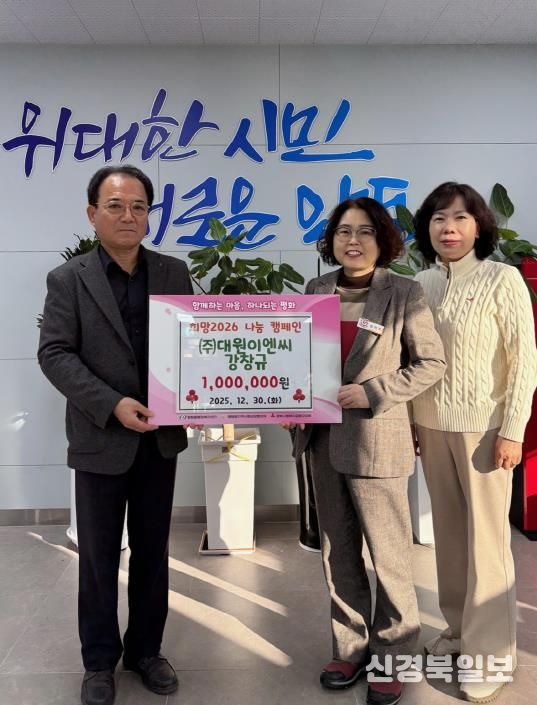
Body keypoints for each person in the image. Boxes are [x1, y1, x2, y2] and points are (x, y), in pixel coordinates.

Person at [38, 165, 194, 705]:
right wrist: (111, 404)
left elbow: (196, 344)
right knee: (99, 559)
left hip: (160, 438)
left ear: (149, 214)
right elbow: (55, 353)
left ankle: (146, 652)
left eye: (139, 206)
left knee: (153, 553)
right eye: (115, 205)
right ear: (92, 214)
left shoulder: (173, 272)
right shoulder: (68, 278)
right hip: (101, 437)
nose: (128, 216)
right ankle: (99, 661)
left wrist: (205, 394)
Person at [283, 197, 445, 705]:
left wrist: (373, 391)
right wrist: (288, 400)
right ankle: (350, 647)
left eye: (365, 232)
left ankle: (393, 655)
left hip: (377, 440)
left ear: (383, 240)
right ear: (330, 239)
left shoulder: (404, 292)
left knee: (390, 555)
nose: (352, 241)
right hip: (321, 441)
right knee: (338, 552)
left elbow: (431, 363)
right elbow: (298, 359)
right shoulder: (316, 290)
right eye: (343, 231)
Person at [412, 182, 537, 704]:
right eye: (439, 218)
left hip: (485, 430)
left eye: (460, 218)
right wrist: (413, 423)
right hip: (431, 426)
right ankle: (459, 631)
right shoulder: (420, 284)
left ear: (480, 226)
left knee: (487, 544)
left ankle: (491, 655)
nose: (449, 228)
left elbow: (525, 361)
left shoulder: (502, 278)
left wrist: (513, 430)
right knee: (449, 539)